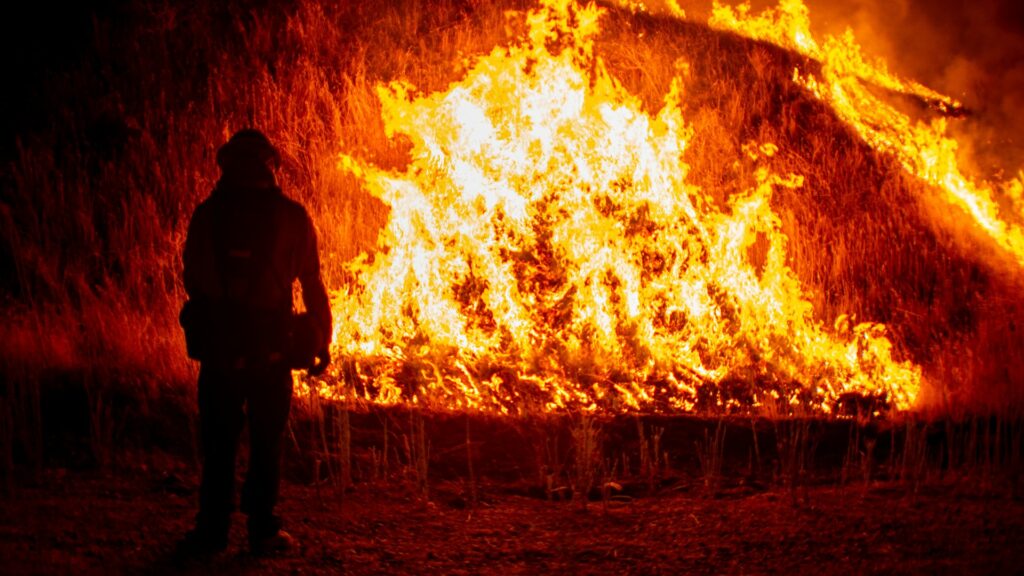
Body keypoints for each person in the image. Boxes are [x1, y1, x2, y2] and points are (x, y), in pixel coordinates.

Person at [177, 129, 332, 557]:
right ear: (271, 166)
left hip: (221, 352)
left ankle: (212, 531)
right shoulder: (293, 217)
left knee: (219, 442)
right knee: (267, 442)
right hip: (272, 351)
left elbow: (194, 279)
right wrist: (322, 338)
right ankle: (263, 530)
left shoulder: (206, 216)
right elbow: (313, 285)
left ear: (226, 166)